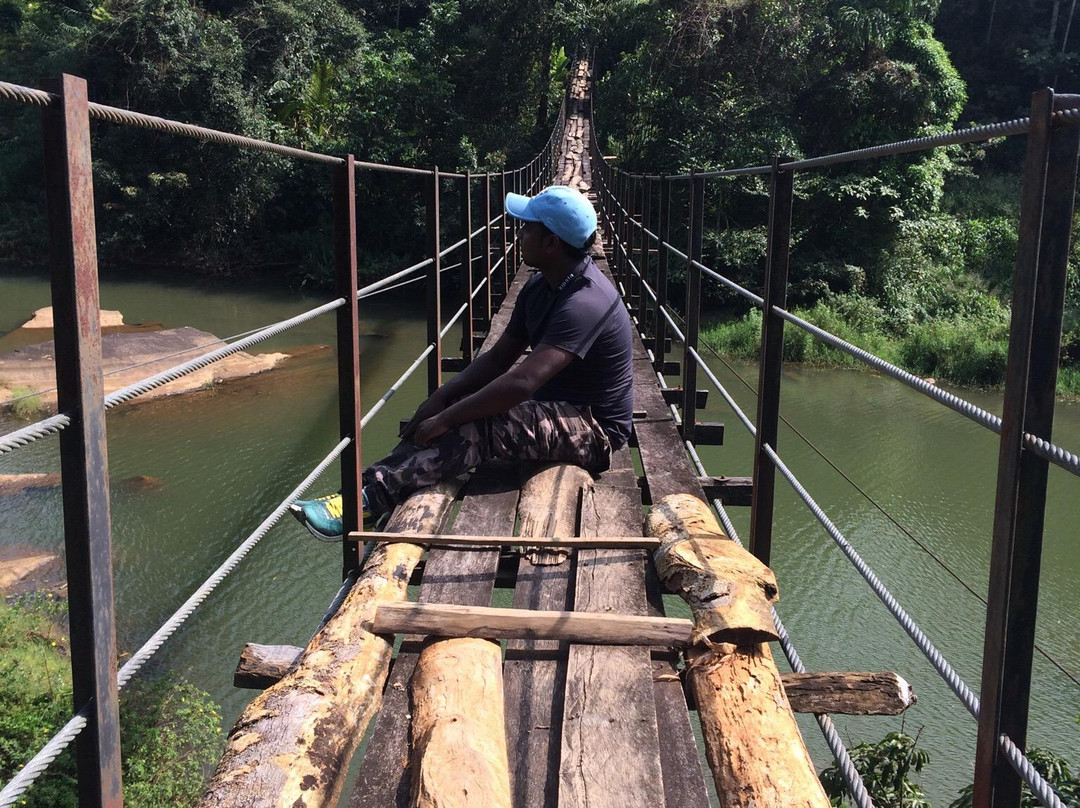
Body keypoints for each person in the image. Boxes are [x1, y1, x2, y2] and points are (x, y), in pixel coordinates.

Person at [290, 185, 634, 540]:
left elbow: (522, 383)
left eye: (528, 227)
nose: (520, 233)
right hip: (552, 405)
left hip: (594, 428)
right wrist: (442, 398)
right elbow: (498, 358)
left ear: (551, 243)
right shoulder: (539, 287)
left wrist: (447, 419)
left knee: (483, 421)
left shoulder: (585, 303)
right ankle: (362, 491)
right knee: (451, 405)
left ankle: (369, 501)